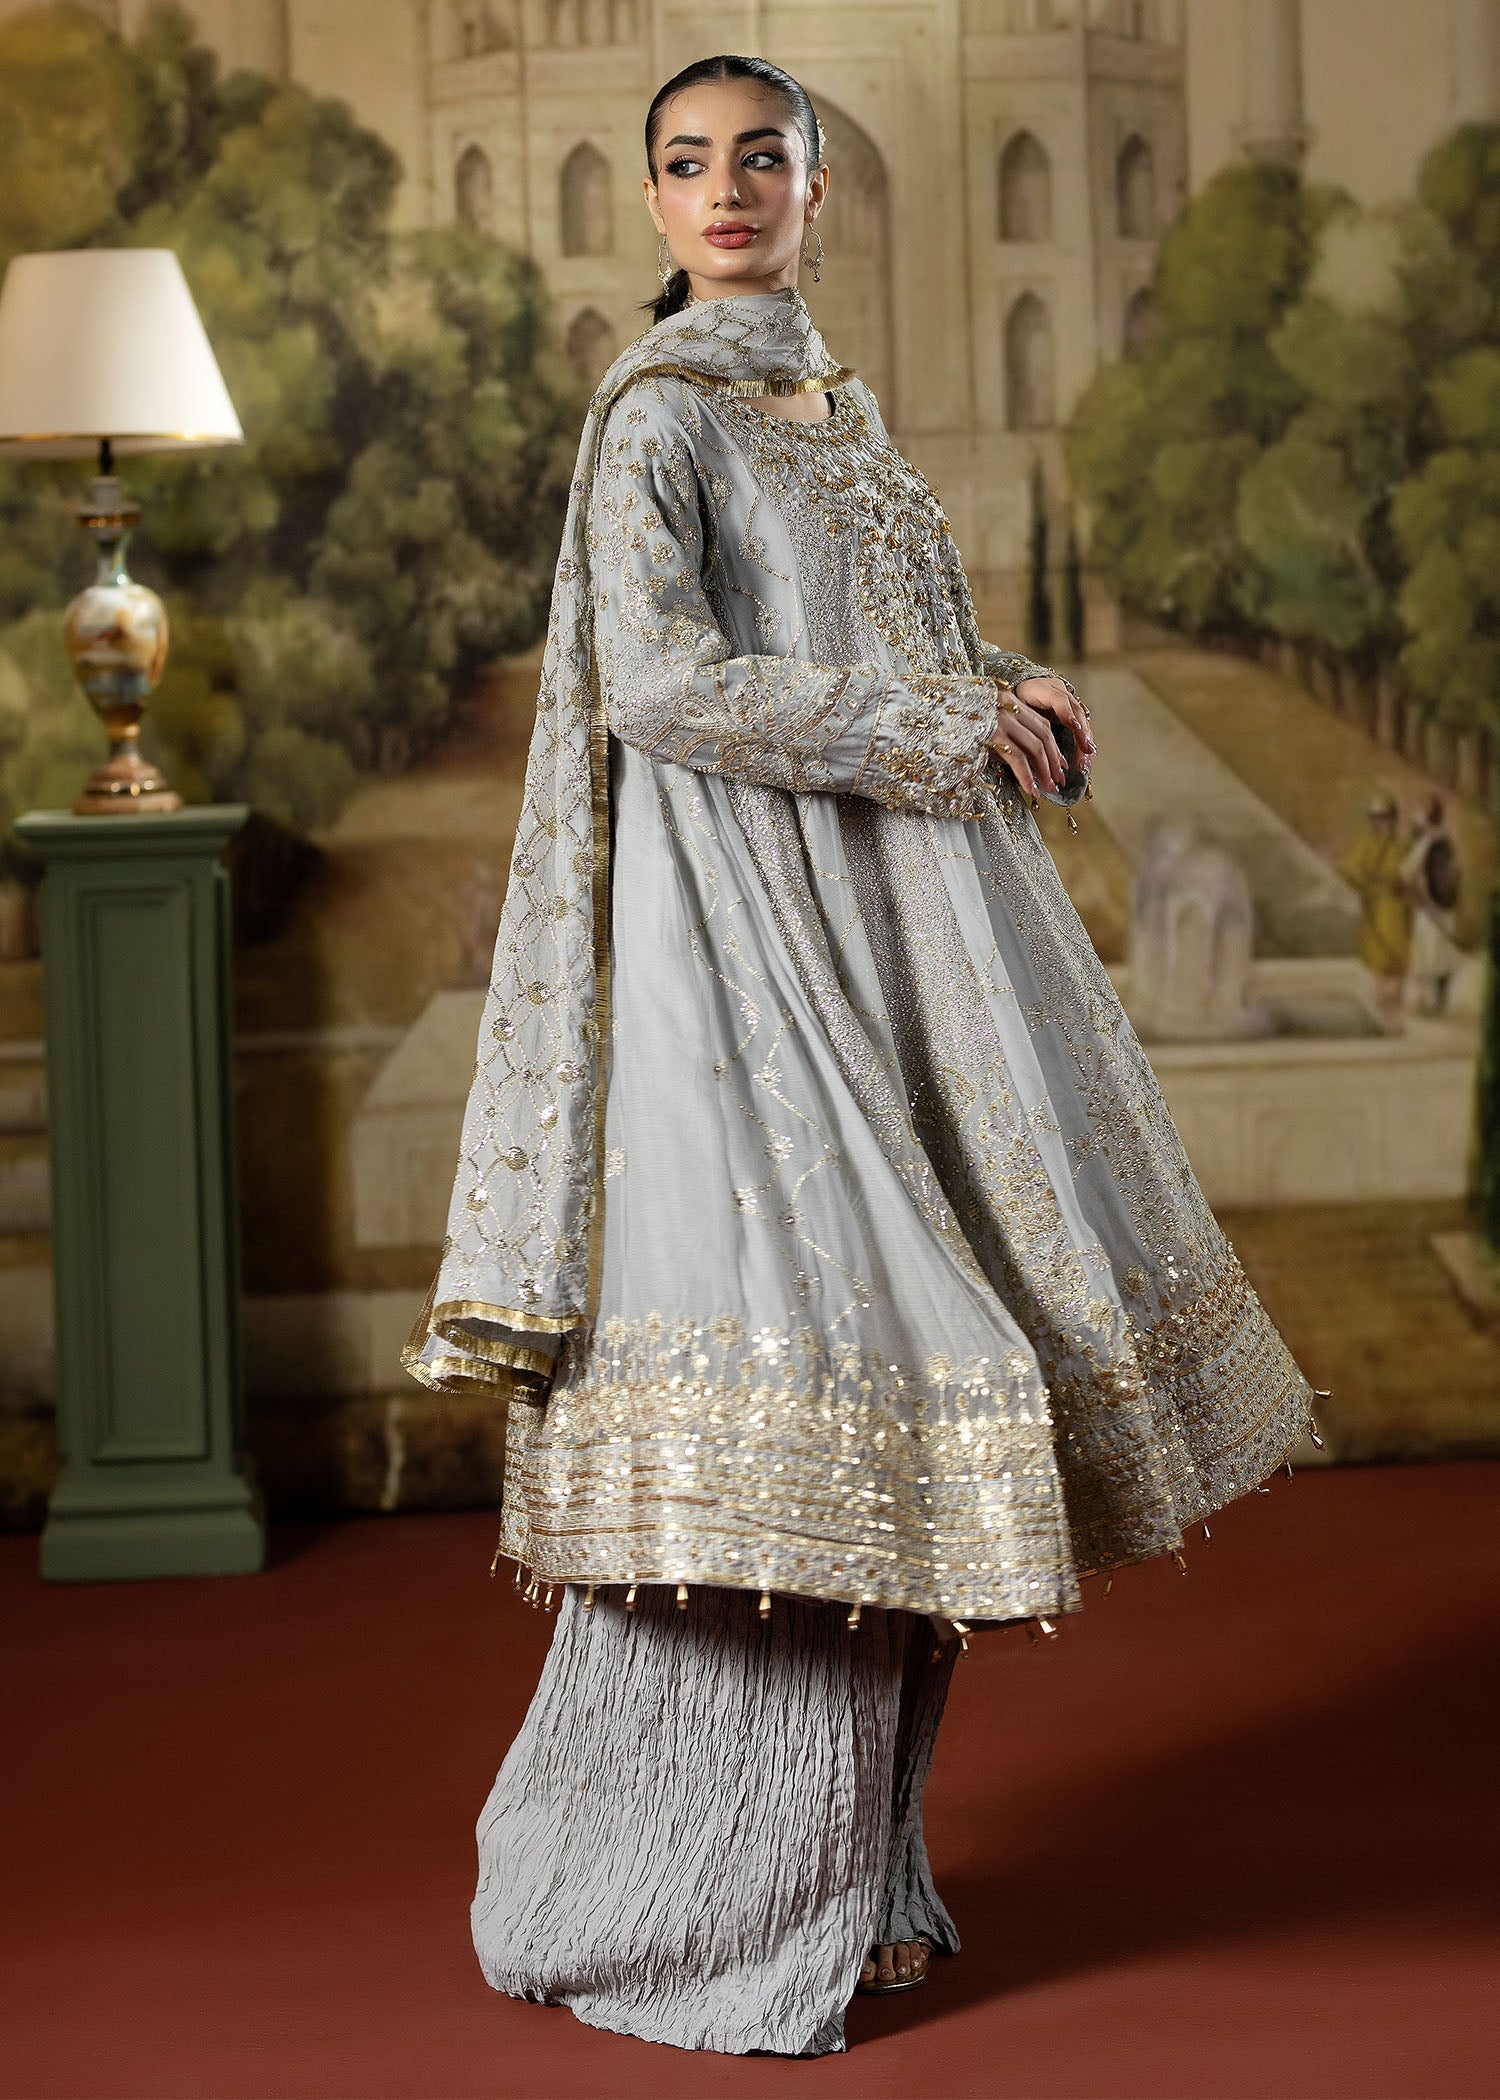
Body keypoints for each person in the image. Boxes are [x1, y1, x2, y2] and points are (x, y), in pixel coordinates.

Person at [404, 53, 1315, 2057]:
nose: (725, 187)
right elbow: (659, 684)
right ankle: (680, 1900)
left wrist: (999, 686)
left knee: (927, 1388)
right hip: (754, 955)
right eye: (687, 162)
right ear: (656, 202)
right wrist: (926, 729)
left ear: (822, 189)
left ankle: (862, 1882)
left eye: (763, 157)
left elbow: (881, 640)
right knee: (849, 1388)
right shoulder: (658, 412)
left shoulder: (835, 402)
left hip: (899, 933)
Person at [1337, 791, 1415, 1027]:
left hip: (1398, 909)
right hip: (1376, 908)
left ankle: (1396, 1010)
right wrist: (1365, 885)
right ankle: (1384, 1011)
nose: (1383, 823)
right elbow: (1348, 868)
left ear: (1394, 819)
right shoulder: (1366, 845)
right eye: (1378, 818)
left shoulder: (1402, 847)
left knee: (1398, 958)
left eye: (1387, 817)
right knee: (1379, 959)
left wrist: (1404, 885)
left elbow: (1411, 875)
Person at [1402, 792, 1463, 1017]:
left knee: (1428, 956)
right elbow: (1456, 873)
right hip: (1445, 906)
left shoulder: (1426, 843)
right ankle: (1440, 1002)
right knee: (1443, 956)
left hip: (1429, 908)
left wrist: (1414, 893)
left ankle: (1429, 1003)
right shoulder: (1447, 842)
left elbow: (1406, 872)